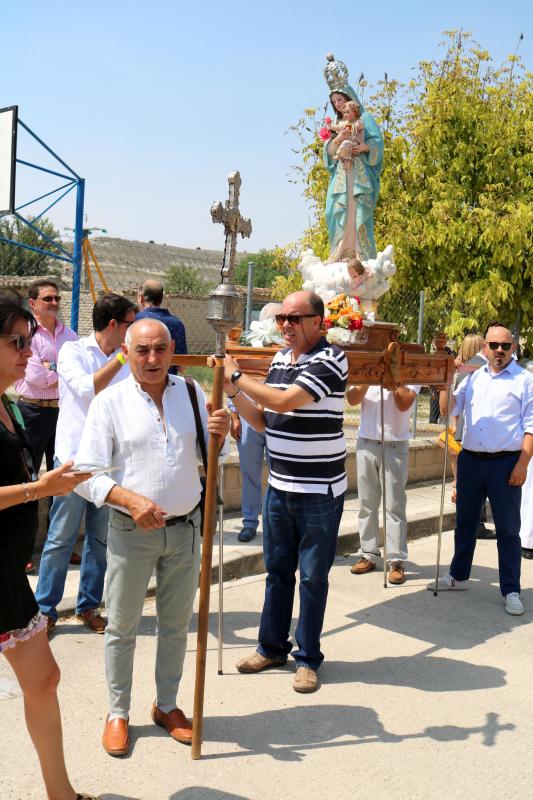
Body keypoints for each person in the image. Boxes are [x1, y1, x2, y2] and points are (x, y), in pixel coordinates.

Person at [73, 318, 229, 756]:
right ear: (127, 351)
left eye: (160, 349)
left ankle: (167, 705)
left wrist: (221, 434)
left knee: (176, 627)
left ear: (173, 350)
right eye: (142, 351)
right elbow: (86, 475)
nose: (153, 359)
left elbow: (213, 455)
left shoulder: (194, 393)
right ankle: (118, 712)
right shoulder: (110, 402)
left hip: (186, 531)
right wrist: (129, 499)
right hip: (130, 530)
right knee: (122, 628)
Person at [224, 290, 348, 694]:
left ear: (318, 321)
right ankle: (271, 646)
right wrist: (232, 393)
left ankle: (308, 658)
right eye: (281, 319)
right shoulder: (280, 360)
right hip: (279, 486)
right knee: (277, 573)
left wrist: (239, 376)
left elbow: (285, 401)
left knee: (312, 576)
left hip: (319, 490)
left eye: (295, 319)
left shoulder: (331, 360)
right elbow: (263, 420)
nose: (286, 326)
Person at [0, 292, 97, 800]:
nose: (29, 351)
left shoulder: (9, 402)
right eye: (17, 341)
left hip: (7, 577)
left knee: (43, 678)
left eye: (30, 339)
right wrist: (41, 489)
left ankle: (61, 794)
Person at [35, 293, 137, 634]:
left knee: (99, 539)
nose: (132, 331)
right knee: (61, 538)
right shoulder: (73, 351)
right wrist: (123, 358)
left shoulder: (127, 360)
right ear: (113, 324)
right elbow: (87, 390)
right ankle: (45, 611)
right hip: (73, 462)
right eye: (129, 324)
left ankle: (88, 606)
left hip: (108, 465)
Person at [428, 322, 533, 616]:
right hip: (472, 460)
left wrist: (522, 464)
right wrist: (446, 382)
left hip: (506, 463)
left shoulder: (525, 380)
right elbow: (450, 410)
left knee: (508, 530)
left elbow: (531, 426)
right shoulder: (473, 378)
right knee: (464, 523)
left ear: (513, 349)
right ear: (484, 348)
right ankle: (458, 576)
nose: (499, 351)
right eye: (494, 345)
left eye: (506, 346)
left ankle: (511, 589)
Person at [15, 280, 79, 574]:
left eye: (57, 298)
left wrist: (50, 367)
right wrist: (60, 370)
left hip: (63, 413)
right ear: (33, 303)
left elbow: (77, 373)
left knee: (62, 483)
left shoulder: (70, 335)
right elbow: (34, 379)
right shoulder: (27, 334)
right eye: (47, 298)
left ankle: (62, 547)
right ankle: (23, 551)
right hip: (32, 412)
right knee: (27, 482)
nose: (54, 303)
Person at [347, 381, 420, 584]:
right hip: (366, 443)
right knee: (366, 504)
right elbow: (352, 399)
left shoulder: (408, 370)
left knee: (394, 506)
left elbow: (404, 402)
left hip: (394, 445)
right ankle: (368, 554)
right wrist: (369, 379)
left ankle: (396, 561)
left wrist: (392, 379)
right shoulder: (368, 369)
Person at [324, 87, 384, 262]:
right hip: (341, 173)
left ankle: (359, 253)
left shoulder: (363, 119)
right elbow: (328, 151)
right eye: (334, 102)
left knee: (356, 208)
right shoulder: (338, 124)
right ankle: (339, 251)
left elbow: (377, 144)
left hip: (358, 174)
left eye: (340, 100)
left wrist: (365, 147)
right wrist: (337, 139)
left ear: (348, 99)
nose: (338, 105)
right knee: (331, 210)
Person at [136, 279, 187, 374]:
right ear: (161, 298)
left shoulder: (133, 321)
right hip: (167, 382)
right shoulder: (177, 324)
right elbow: (182, 367)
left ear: (141, 297)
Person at [329, 100, 365, 166]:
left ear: (355, 111)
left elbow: (360, 127)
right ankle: (346, 160)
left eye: (348, 112)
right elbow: (339, 128)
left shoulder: (357, 122)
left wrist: (358, 125)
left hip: (356, 144)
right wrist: (330, 126)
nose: (345, 114)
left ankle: (339, 155)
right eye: (344, 112)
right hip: (349, 144)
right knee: (344, 144)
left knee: (345, 143)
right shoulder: (347, 124)